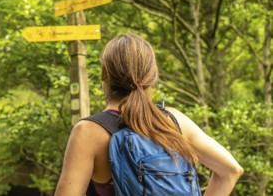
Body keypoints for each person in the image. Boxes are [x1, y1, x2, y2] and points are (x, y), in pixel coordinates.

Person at [55, 33, 244, 196]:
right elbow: (230, 171)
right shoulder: (174, 121)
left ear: (104, 74)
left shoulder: (88, 132)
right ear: (151, 78)